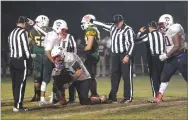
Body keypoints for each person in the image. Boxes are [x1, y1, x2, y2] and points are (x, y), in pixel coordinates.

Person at [93, 14, 135, 103]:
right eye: (115, 23)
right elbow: (103, 24)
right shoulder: (113, 27)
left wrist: (128, 55)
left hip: (124, 54)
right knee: (114, 76)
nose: (116, 25)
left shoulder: (128, 30)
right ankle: (112, 97)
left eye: (117, 23)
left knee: (126, 76)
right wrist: (92, 21)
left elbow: (131, 44)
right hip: (115, 55)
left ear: (122, 21)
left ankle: (128, 97)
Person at [154, 14, 187, 103]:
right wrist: (165, 52)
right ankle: (159, 96)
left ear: (167, 22)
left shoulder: (174, 29)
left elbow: (177, 46)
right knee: (164, 76)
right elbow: (168, 46)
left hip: (181, 57)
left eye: (161, 24)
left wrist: (166, 55)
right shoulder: (166, 32)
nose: (160, 26)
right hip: (171, 58)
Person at [8, 16, 33, 112]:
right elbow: (26, 48)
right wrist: (29, 60)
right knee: (21, 83)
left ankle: (16, 104)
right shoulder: (23, 32)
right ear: (24, 23)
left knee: (15, 83)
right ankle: (18, 105)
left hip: (12, 60)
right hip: (21, 60)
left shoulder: (12, 33)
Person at [136, 21, 165, 100]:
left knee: (154, 77)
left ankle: (156, 96)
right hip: (163, 57)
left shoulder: (148, 35)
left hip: (154, 58)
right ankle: (160, 95)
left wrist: (139, 32)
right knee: (160, 77)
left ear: (150, 27)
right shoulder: (162, 34)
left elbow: (136, 40)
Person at [29, 15, 50, 102]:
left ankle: (37, 95)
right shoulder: (50, 31)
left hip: (37, 54)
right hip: (47, 54)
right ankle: (52, 95)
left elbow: (29, 42)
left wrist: (32, 51)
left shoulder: (33, 31)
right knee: (45, 76)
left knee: (37, 76)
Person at [81, 14, 100, 97]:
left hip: (91, 55)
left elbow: (89, 46)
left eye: (84, 22)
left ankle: (92, 94)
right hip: (93, 54)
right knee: (90, 76)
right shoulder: (93, 28)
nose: (83, 24)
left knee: (89, 76)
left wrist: (80, 50)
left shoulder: (91, 29)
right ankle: (93, 93)